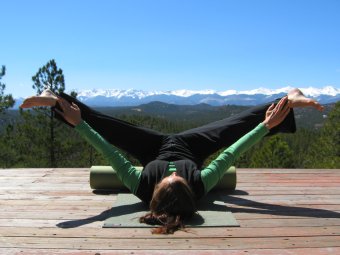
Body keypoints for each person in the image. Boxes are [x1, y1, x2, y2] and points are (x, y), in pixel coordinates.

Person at [20, 88, 323, 234]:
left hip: (152, 148)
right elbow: (231, 153)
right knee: (235, 126)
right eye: (182, 181)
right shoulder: (199, 185)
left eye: (169, 180)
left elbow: (108, 151)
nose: (176, 174)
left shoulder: (141, 186)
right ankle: (288, 98)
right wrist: (265, 127)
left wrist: (79, 123)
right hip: (193, 146)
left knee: (106, 126)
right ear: (189, 189)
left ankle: (54, 98)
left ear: (157, 189)